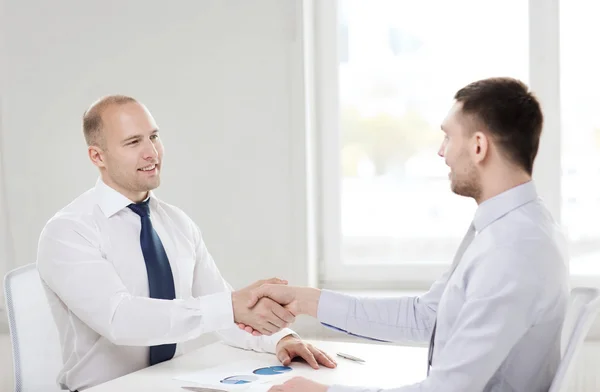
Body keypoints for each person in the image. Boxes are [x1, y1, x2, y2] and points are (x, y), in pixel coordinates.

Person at [244, 77, 569, 392]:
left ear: (479, 146)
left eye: (448, 137)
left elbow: (447, 389)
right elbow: (428, 315)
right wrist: (305, 300)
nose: (442, 152)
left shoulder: (513, 250)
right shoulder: (510, 227)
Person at [36, 95, 336, 391]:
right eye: (133, 142)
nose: (151, 152)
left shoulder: (176, 223)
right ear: (97, 156)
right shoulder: (69, 231)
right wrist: (230, 306)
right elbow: (120, 319)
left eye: (153, 136)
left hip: (170, 381)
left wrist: (282, 338)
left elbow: (222, 307)